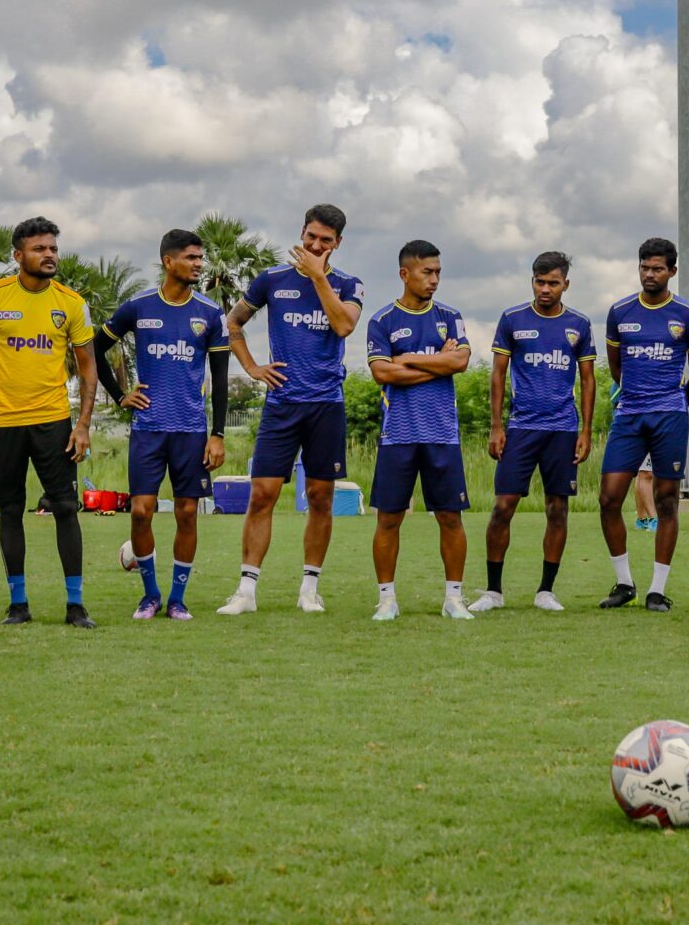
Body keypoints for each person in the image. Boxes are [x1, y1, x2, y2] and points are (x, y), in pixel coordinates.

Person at [219, 205, 365, 615]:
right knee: (262, 494)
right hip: (281, 405)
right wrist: (251, 367)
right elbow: (232, 323)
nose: (316, 245)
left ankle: (309, 589)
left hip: (326, 405)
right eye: (311, 236)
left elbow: (343, 326)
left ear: (338, 243)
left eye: (326, 240)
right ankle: (246, 591)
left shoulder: (349, 284)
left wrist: (319, 278)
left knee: (320, 496)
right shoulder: (271, 280)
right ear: (302, 232)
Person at [0, 217, 100, 627]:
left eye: (53, 248)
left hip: (54, 422)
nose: (49, 255)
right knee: (10, 510)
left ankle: (75, 605)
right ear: (18, 254)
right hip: (5, 424)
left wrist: (83, 424)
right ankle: (18, 604)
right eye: (40, 249)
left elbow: (88, 366)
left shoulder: (70, 303)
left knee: (65, 509)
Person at [99, 230, 232, 620]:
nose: (198, 264)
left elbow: (221, 378)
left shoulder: (209, 313)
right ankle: (150, 594)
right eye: (191, 258)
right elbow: (95, 346)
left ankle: (177, 598)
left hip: (191, 430)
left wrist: (218, 434)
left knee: (187, 513)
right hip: (148, 428)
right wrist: (122, 394)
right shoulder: (138, 307)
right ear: (168, 262)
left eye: (200, 258)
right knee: (141, 511)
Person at [480, 250, 597, 612]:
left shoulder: (579, 323)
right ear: (532, 281)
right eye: (540, 282)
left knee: (557, 508)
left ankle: (546, 590)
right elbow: (498, 373)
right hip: (521, 428)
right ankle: (493, 592)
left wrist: (586, 431)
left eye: (553, 283)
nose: (546, 289)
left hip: (562, 429)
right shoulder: (513, 319)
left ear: (566, 284)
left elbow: (588, 379)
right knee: (503, 506)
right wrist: (497, 425)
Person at [365, 240, 474, 620]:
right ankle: (387, 600)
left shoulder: (450, 315)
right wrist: (437, 361)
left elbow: (460, 361)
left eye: (438, 272)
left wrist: (409, 358)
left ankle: (454, 599)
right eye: (427, 272)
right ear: (405, 274)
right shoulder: (382, 320)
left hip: (443, 434)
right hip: (399, 435)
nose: (434, 279)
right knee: (389, 518)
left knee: (450, 517)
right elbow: (382, 372)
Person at [597, 238, 689, 612]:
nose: (649, 274)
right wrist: (636, 395)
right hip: (629, 415)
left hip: (669, 417)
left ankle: (657, 590)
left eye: (657, 268)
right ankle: (625, 582)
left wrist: (674, 405)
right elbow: (616, 367)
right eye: (645, 267)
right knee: (609, 498)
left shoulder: (688, 315)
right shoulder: (620, 312)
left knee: (666, 501)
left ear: (672, 272)